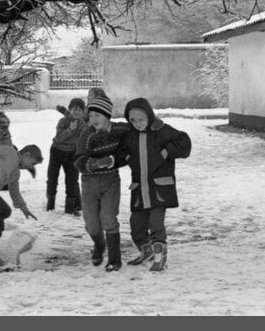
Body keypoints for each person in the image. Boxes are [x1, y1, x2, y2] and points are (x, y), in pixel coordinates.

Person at [118, 98, 191, 272]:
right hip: (139, 189)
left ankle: (160, 258)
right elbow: (120, 150)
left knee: (156, 224)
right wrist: (127, 158)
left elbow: (184, 143)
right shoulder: (130, 134)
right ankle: (146, 251)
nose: (137, 123)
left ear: (149, 116)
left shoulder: (162, 130)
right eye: (133, 120)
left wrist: (166, 152)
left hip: (159, 189)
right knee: (136, 225)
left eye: (141, 119)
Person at [74, 93, 128, 272]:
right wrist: (96, 163)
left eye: (97, 115)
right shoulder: (87, 134)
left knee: (108, 218)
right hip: (89, 182)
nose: (93, 119)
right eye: (90, 116)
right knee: (91, 223)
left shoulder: (120, 130)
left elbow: (134, 140)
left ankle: (114, 260)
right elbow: (79, 161)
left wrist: (114, 161)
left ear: (108, 115)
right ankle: (99, 244)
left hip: (111, 180)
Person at [46, 97, 86, 214]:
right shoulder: (63, 121)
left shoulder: (82, 124)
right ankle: (50, 204)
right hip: (57, 151)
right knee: (52, 178)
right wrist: (70, 129)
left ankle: (70, 207)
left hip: (72, 154)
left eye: (79, 110)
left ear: (83, 112)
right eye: (74, 109)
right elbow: (58, 137)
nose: (76, 112)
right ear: (69, 109)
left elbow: (82, 139)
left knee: (72, 180)